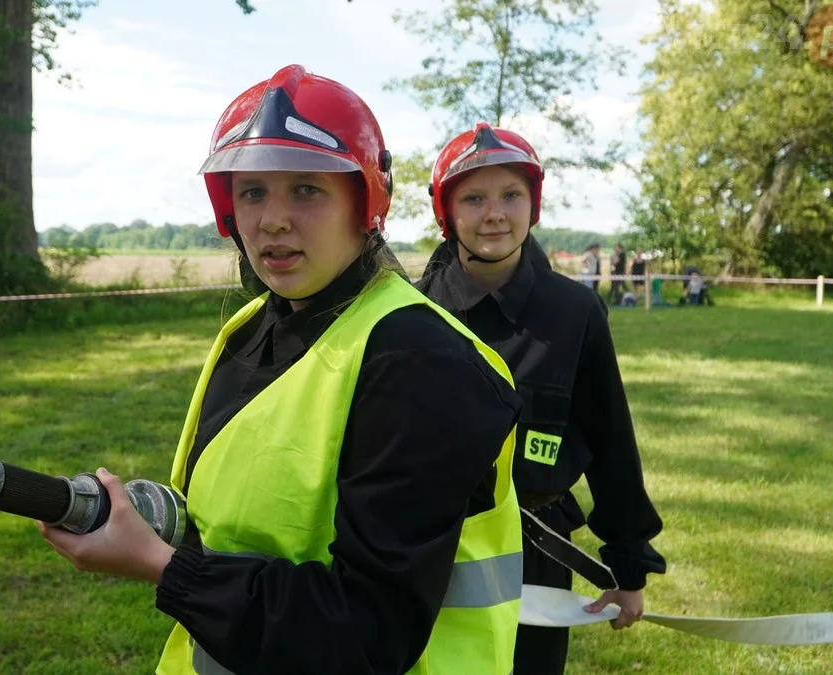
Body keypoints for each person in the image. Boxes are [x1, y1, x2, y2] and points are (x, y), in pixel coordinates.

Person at [36, 65, 525, 675]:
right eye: (252, 191)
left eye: (306, 189)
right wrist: (151, 527)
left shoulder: (420, 363)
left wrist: (165, 567)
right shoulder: (248, 331)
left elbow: (368, 631)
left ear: (366, 202)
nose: (272, 219)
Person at [415, 122, 667, 675]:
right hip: (427, 547)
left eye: (511, 196)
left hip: (537, 552)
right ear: (447, 212)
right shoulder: (412, 313)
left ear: (534, 205)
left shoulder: (575, 312)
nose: (495, 214)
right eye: (474, 198)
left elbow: (610, 440)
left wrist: (628, 568)